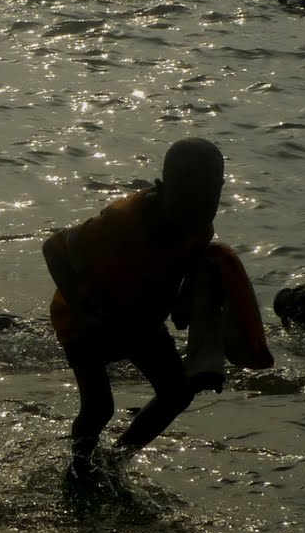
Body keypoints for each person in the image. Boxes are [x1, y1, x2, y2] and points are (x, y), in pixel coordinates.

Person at [43, 138, 224, 485]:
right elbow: (52, 248)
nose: (197, 211)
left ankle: (114, 464)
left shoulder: (199, 228)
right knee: (99, 408)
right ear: (162, 187)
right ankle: (79, 469)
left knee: (177, 393)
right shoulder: (123, 222)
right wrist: (85, 309)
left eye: (208, 199)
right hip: (84, 317)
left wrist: (207, 360)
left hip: (140, 319)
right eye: (188, 198)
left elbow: (183, 312)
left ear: (221, 190)